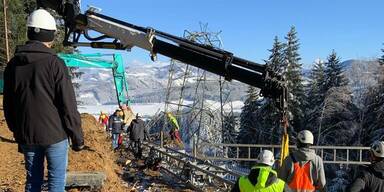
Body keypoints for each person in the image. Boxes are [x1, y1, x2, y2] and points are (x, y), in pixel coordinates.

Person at [3, 9, 84, 192]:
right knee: (56, 184)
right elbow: (68, 105)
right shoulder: (55, 64)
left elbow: (8, 105)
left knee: (33, 182)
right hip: (55, 135)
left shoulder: (13, 66)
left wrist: (18, 131)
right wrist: (77, 137)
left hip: (28, 135)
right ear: (51, 34)